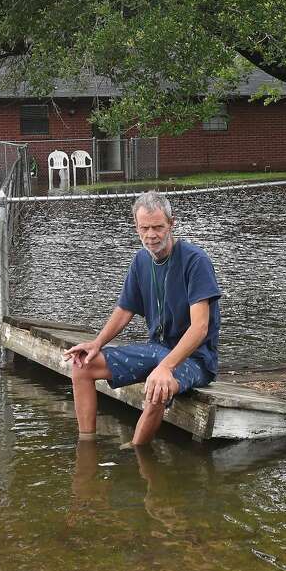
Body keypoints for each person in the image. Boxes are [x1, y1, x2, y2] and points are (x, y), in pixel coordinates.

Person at [63, 191, 221, 446]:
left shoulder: (195, 261)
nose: (151, 235)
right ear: (136, 227)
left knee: (159, 384)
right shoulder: (140, 261)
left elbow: (200, 327)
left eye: (158, 227)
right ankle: (87, 445)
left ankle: (136, 451)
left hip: (195, 359)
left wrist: (166, 367)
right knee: (82, 366)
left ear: (172, 223)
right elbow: (125, 309)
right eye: (144, 228)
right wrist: (96, 344)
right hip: (155, 349)